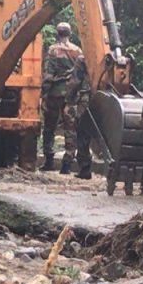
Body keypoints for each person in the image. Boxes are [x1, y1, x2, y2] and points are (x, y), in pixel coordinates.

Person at [41, 22, 83, 173]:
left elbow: (48, 75)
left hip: (54, 94)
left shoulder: (52, 50)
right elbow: (80, 73)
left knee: (49, 128)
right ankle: (67, 163)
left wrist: (43, 93)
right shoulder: (77, 51)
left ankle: (49, 160)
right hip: (71, 95)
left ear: (57, 34)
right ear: (70, 34)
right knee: (70, 128)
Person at [64, 54, 93, 179]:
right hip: (107, 99)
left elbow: (75, 82)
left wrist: (69, 100)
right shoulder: (112, 58)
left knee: (83, 131)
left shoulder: (83, 58)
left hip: (86, 100)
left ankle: (85, 168)